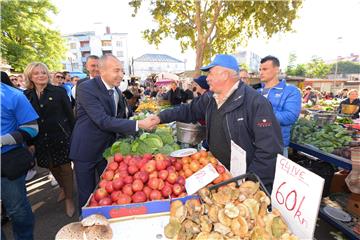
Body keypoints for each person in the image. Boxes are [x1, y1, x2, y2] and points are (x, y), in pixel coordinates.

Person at [147, 54, 283, 191]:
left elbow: (269, 151)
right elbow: (189, 110)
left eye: (210, 73)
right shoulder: (211, 98)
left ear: (224, 74)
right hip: (219, 174)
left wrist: (251, 184)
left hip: (243, 180)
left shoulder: (256, 103)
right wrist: (160, 118)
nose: (207, 78)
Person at [70, 54, 156, 211]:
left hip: (107, 150)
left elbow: (121, 116)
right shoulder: (86, 88)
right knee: (87, 195)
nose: (121, 75)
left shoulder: (116, 90)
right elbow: (102, 120)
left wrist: (137, 118)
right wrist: (138, 124)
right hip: (86, 150)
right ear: (102, 71)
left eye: (122, 71)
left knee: (107, 192)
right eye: (116, 70)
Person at [23, 62, 76, 217]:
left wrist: (74, 135)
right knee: (51, 166)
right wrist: (30, 143)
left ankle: (69, 198)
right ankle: (62, 188)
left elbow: (70, 115)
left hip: (60, 136)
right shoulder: (26, 95)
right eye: (36, 73)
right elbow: (25, 120)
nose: (41, 75)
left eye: (43, 72)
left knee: (66, 168)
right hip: (40, 138)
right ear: (30, 77)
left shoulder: (59, 92)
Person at [1, 71, 39, 240]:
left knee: (17, 211)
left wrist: (3, 140)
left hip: (7, 163)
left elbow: (32, 128)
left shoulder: (14, 95)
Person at [258, 56, 302, 157]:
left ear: (277, 70)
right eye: (260, 69)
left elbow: (290, 117)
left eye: (265, 69)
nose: (261, 72)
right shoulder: (256, 92)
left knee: (275, 173)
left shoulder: (291, 91)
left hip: (276, 147)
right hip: (255, 145)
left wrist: (262, 112)